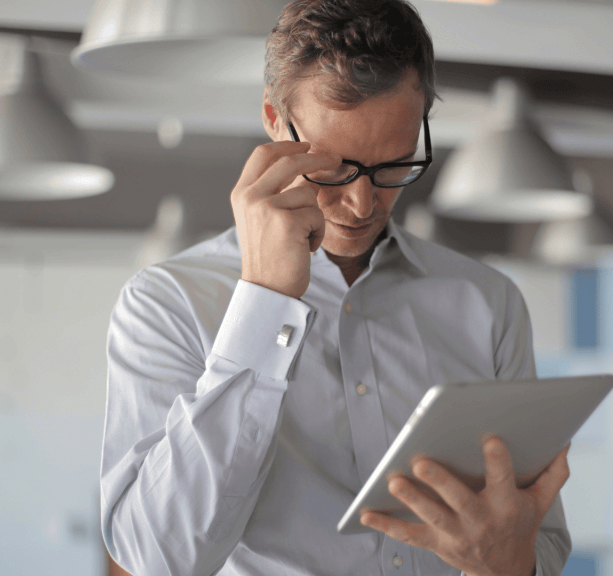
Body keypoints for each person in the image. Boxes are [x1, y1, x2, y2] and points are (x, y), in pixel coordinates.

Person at [100, 1, 572, 575]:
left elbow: (541, 543)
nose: (361, 203)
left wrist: (511, 565)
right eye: (335, 167)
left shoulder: (489, 303)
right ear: (275, 120)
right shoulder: (166, 303)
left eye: (393, 165)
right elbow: (158, 558)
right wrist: (264, 304)